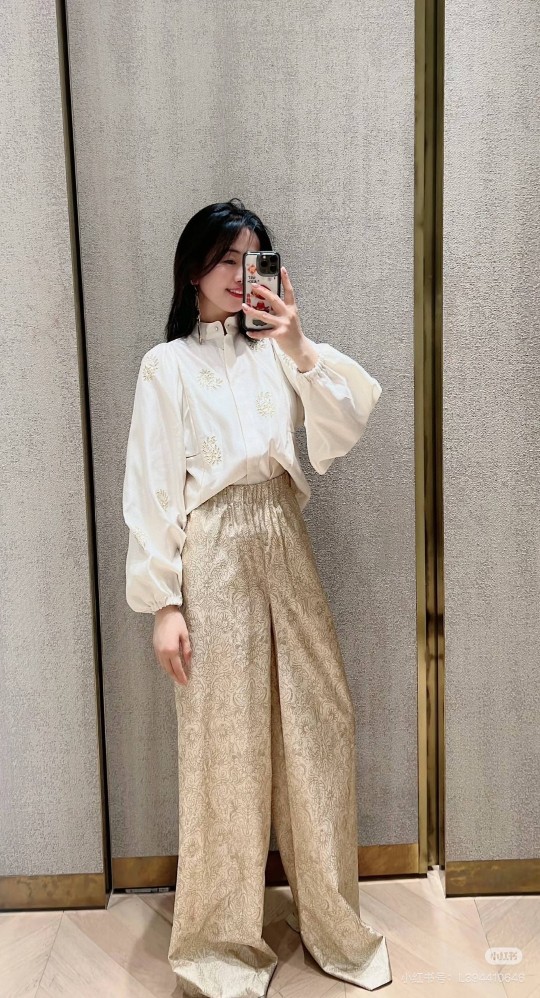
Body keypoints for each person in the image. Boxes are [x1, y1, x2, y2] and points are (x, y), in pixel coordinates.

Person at [122, 199, 392, 997]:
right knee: (224, 743)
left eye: (255, 259)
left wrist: (297, 340)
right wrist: (164, 604)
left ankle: (333, 926)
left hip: (283, 532)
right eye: (226, 260)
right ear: (193, 272)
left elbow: (345, 421)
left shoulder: (277, 350)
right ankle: (220, 942)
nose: (242, 276)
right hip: (211, 550)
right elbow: (151, 486)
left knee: (319, 722)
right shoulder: (166, 365)